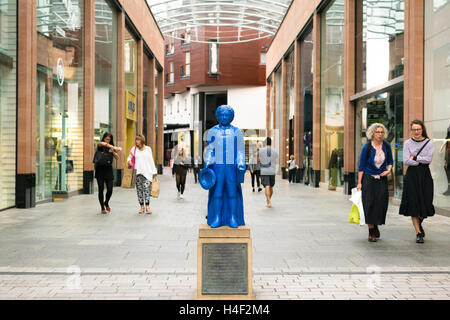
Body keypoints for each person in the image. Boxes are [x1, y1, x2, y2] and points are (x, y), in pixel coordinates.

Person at [399, 120, 435, 244]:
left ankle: (420, 222)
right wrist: (419, 160)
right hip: (412, 175)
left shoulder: (429, 143)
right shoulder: (407, 143)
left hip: (425, 175)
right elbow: (405, 161)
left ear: (422, 129)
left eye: (418, 129)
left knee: (426, 201)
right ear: (411, 130)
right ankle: (418, 232)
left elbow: (428, 160)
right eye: (414, 129)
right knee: (414, 203)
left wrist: (414, 158)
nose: (416, 132)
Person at [357, 123, 393, 242]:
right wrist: (359, 183)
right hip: (368, 178)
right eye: (377, 132)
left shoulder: (387, 146)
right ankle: (371, 230)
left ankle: (376, 224)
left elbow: (390, 161)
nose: (380, 134)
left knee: (381, 203)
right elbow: (361, 166)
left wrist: (388, 170)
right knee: (369, 203)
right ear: (372, 133)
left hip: (381, 179)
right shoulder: (366, 147)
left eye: (382, 132)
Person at [127, 134, 158, 214]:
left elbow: (151, 160)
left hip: (147, 173)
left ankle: (147, 206)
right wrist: (129, 161)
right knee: (139, 190)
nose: (136, 141)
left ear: (142, 140)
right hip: (137, 173)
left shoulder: (148, 149)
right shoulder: (134, 149)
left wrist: (154, 172)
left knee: (147, 189)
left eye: (138, 140)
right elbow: (129, 157)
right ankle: (141, 206)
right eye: (136, 140)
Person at [94, 132, 120, 214]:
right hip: (100, 170)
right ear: (104, 138)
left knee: (110, 189)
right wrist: (111, 146)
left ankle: (106, 202)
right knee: (101, 189)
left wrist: (113, 151)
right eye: (106, 139)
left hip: (108, 170)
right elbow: (101, 143)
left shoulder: (112, 148)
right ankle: (102, 207)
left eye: (109, 139)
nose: (107, 141)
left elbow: (117, 158)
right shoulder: (100, 146)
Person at [258, 137, 279, 208]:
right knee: (271, 186)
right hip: (272, 171)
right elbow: (276, 160)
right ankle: (269, 200)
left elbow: (258, 160)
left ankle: (268, 201)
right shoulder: (274, 151)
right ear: (271, 143)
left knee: (267, 185)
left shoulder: (261, 151)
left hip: (264, 171)